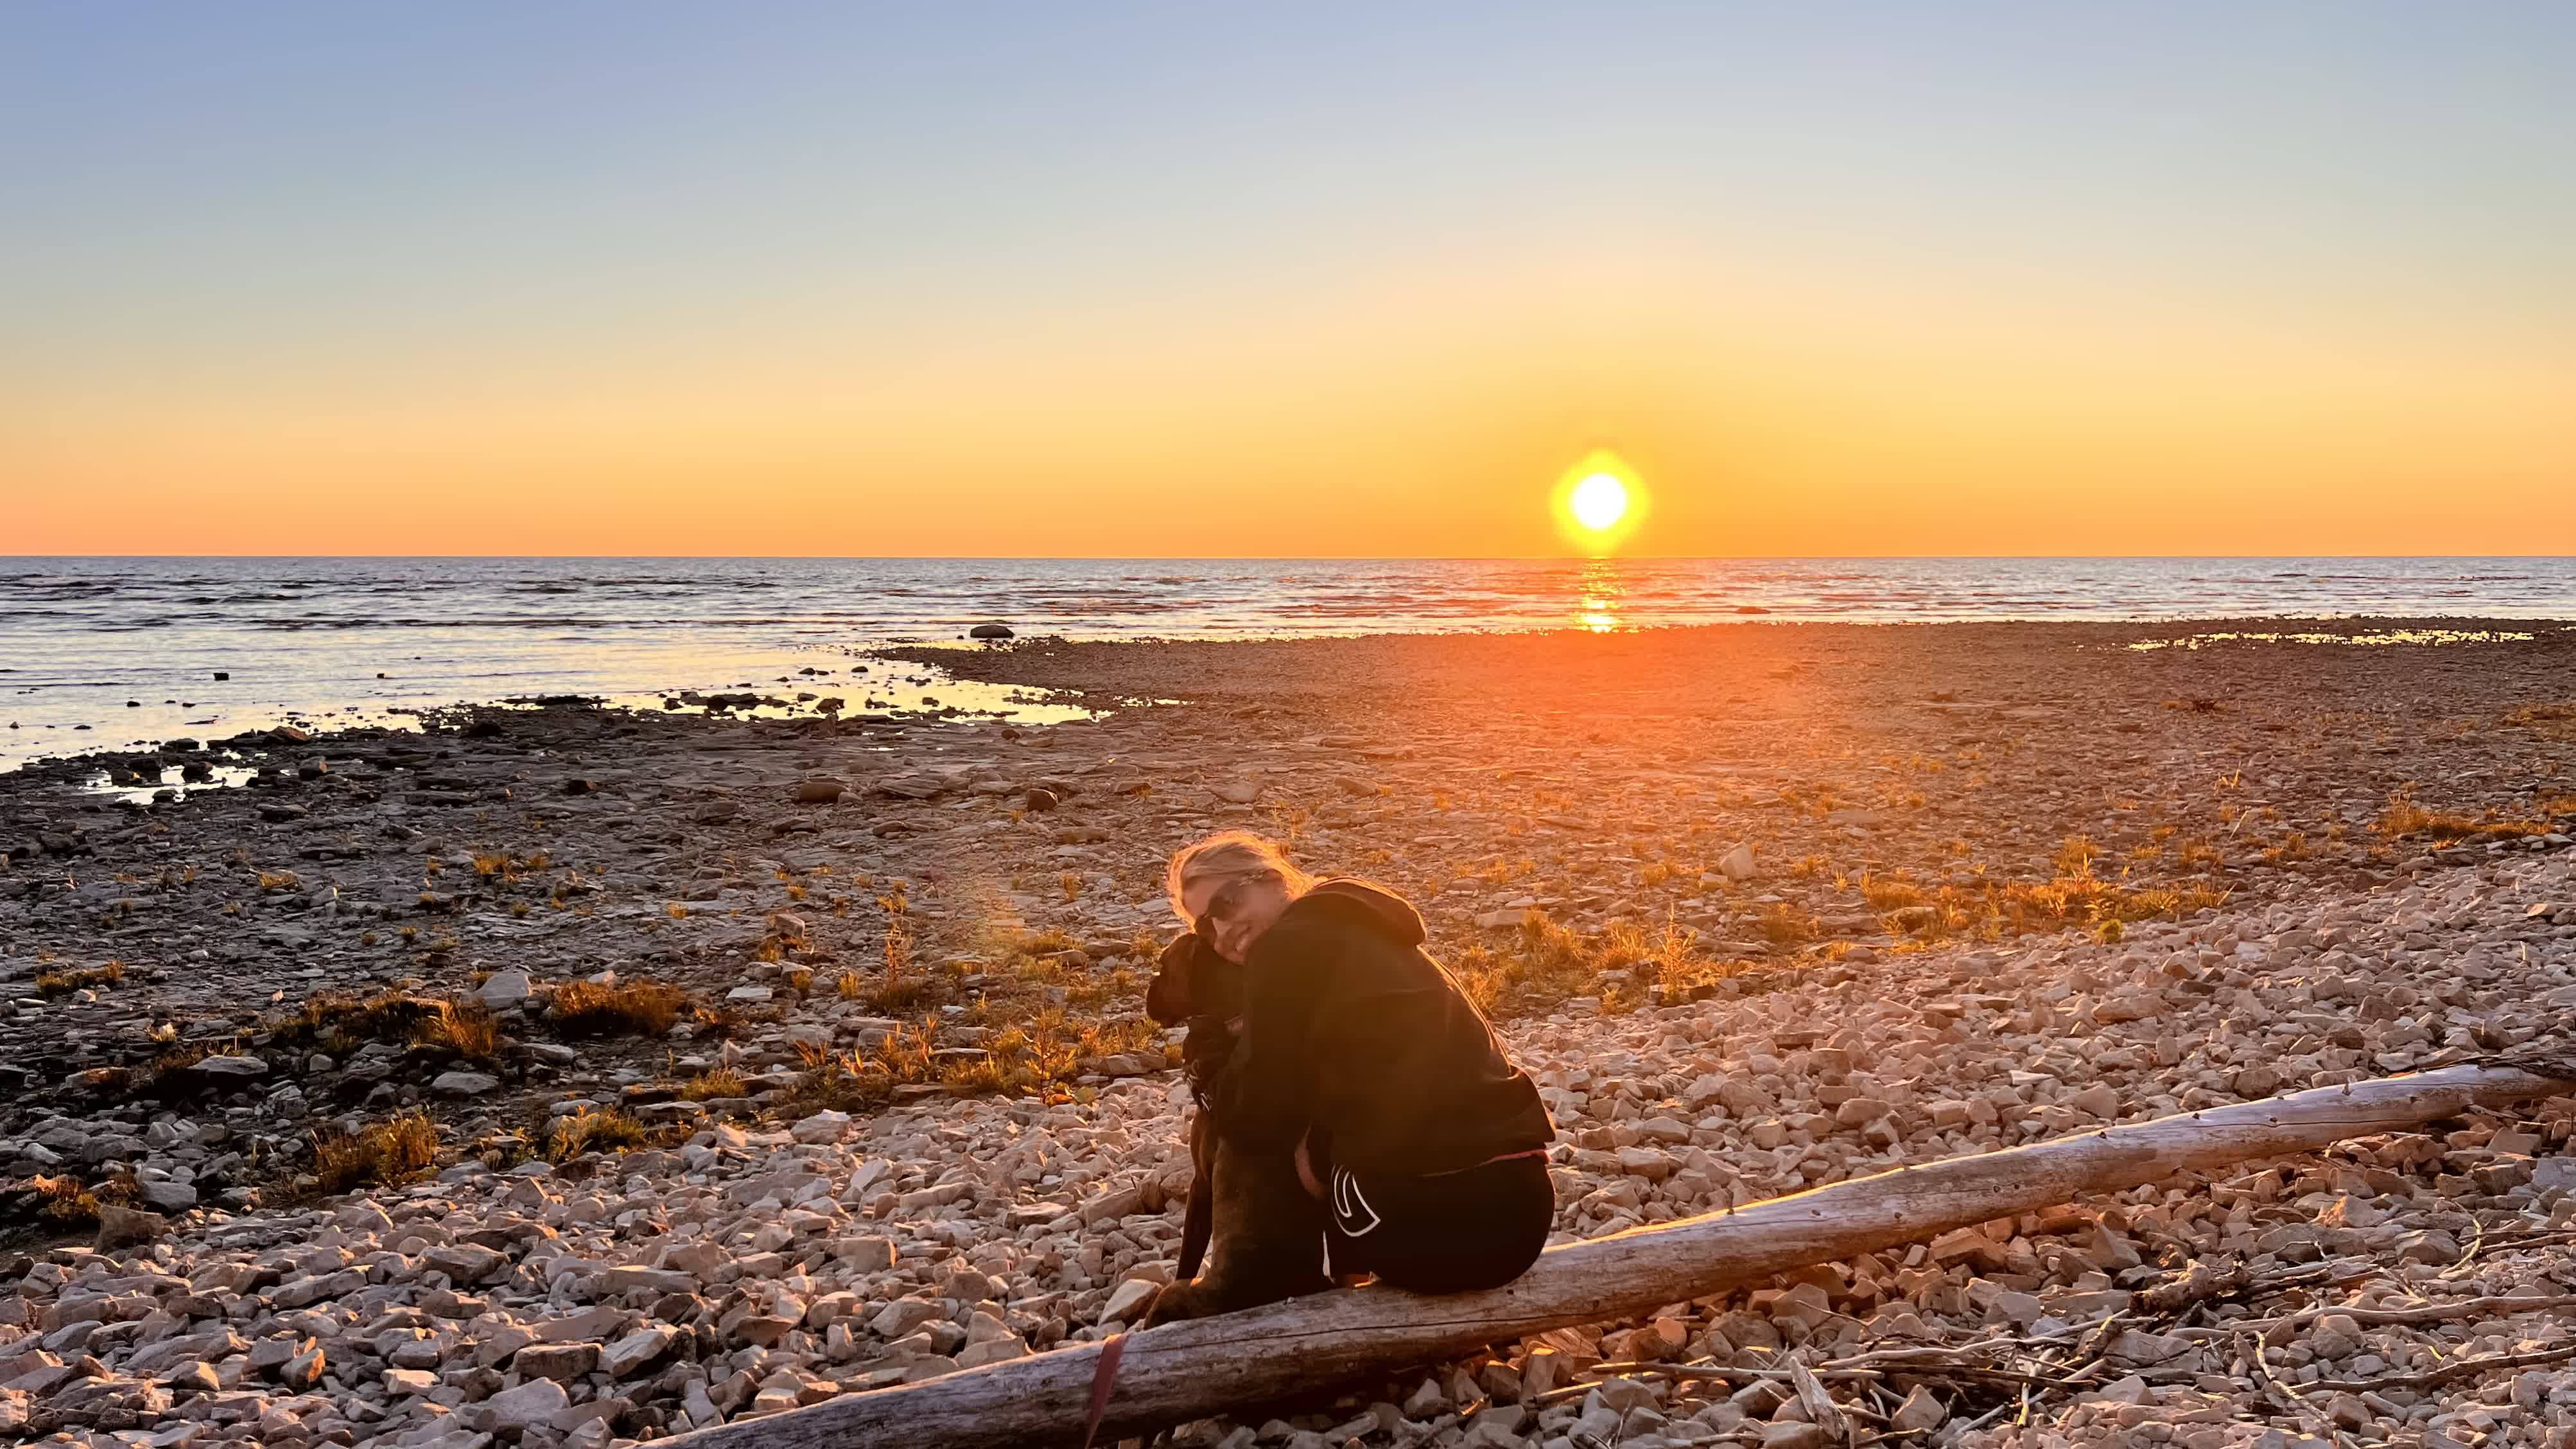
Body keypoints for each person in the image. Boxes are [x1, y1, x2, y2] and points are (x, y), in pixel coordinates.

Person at [1167, 831, 1556, 1293]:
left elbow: (1254, 1117)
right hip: (1523, 1212)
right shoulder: (1368, 926)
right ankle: (1346, 1275)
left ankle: (1267, 1292)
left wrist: (1207, 1066)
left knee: (1258, 1131)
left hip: (1436, 1236)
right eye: (1204, 928)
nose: (1222, 931)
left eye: (1227, 904)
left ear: (1272, 878)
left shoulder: (1282, 949)